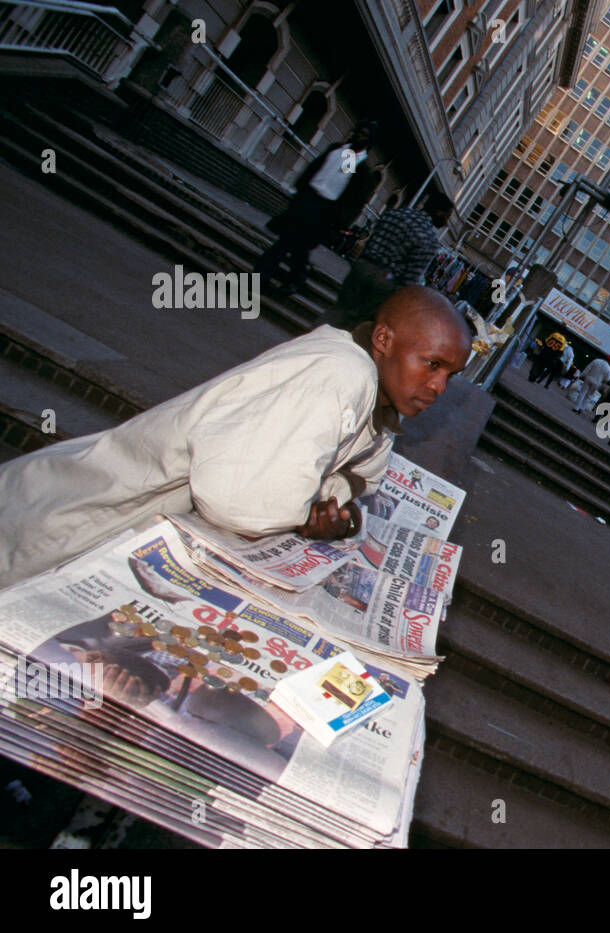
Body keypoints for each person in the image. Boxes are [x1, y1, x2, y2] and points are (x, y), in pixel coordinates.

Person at [0, 287, 472, 589]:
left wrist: (331, 511)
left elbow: (362, 475)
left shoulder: (377, 394)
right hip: (65, 520)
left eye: (450, 374)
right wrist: (313, 515)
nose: (438, 387)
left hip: (106, 527)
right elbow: (242, 503)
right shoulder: (339, 374)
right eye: (431, 364)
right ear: (384, 341)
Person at [256, 121, 380, 293]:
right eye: (357, 131)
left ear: (369, 141)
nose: (358, 135)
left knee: (294, 245)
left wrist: (338, 223)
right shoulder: (337, 150)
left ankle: (277, 277)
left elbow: (354, 200)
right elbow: (315, 169)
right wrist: (301, 192)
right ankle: (285, 278)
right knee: (290, 243)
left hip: (325, 210)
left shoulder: (363, 172)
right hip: (307, 199)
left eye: (364, 134)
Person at [325, 192, 455, 329]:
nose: (446, 223)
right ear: (439, 212)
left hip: (363, 267)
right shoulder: (428, 238)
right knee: (359, 323)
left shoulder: (395, 214)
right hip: (385, 282)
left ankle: (315, 338)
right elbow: (410, 278)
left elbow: (370, 241)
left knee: (339, 309)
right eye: (447, 216)